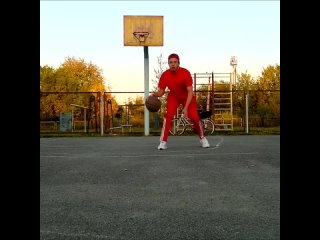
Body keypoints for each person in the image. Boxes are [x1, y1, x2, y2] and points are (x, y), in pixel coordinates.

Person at [151, 53, 210, 150]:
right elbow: (161, 92)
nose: (173, 64)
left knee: (195, 117)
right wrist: (153, 95)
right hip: (174, 96)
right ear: (168, 64)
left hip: (187, 96)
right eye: (170, 62)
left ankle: (202, 138)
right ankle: (163, 141)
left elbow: (190, 91)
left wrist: (185, 108)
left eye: (175, 62)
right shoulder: (165, 75)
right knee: (168, 116)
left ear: (179, 63)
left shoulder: (185, 73)